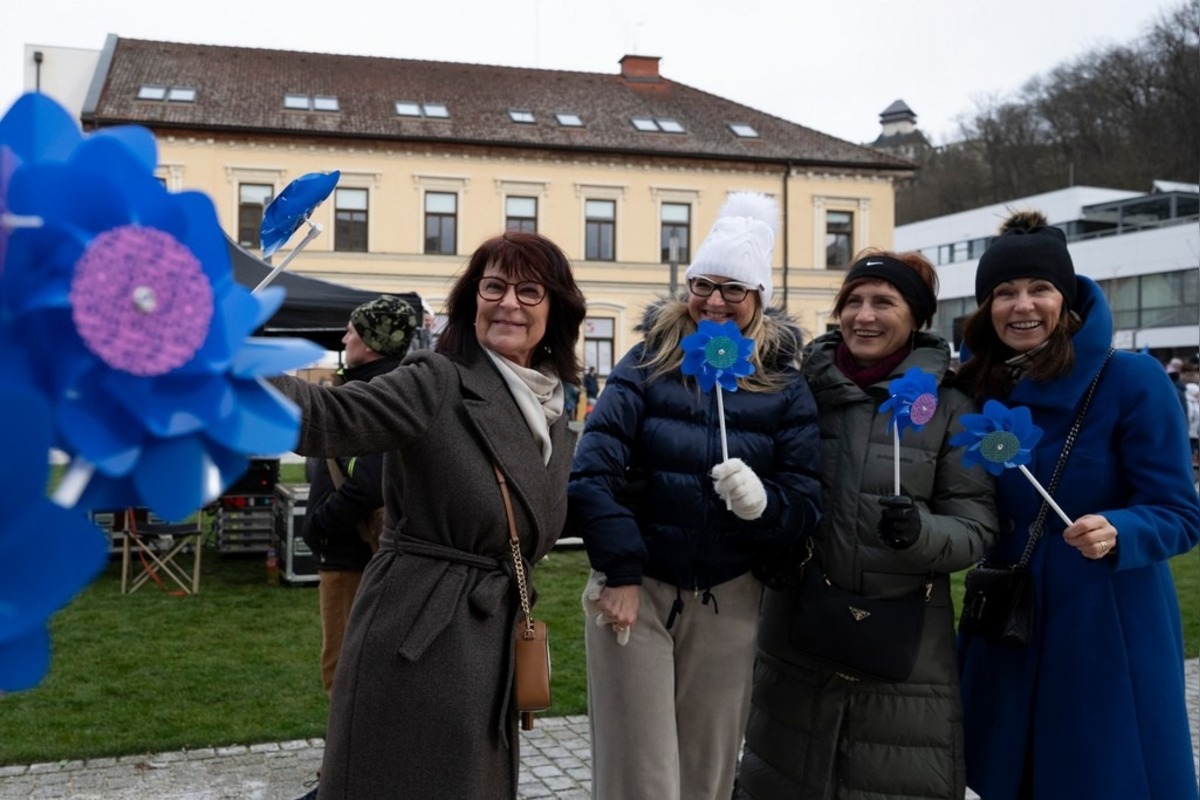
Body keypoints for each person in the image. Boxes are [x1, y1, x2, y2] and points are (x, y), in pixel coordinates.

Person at [271, 231, 587, 799]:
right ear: (472, 301)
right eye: (493, 286)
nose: (509, 302)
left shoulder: (557, 404)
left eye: (529, 290)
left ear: (556, 309)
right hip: (418, 636)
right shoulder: (438, 380)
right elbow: (325, 415)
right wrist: (221, 359)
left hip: (489, 638)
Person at [568, 192, 822, 800]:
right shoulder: (646, 363)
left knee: (706, 773)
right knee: (640, 777)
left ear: (758, 297)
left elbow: (805, 501)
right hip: (639, 589)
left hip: (728, 597)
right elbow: (591, 471)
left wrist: (765, 507)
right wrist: (620, 572)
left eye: (734, 289)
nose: (714, 301)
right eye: (703, 284)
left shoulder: (785, 386)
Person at [955, 210, 1200, 799]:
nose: (1023, 305)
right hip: (1008, 621)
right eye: (1004, 292)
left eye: (1040, 289)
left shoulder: (1132, 379)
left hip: (1104, 625)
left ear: (1067, 302)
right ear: (987, 307)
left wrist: (1120, 528)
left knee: (1099, 775)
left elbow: (1181, 513)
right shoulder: (974, 388)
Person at [737, 249, 998, 799]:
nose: (864, 315)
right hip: (797, 640)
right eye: (852, 301)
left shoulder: (950, 405)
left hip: (902, 649)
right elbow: (772, 492)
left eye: (884, 301)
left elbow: (975, 525)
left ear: (917, 318)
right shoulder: (798, 391)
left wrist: (922, 533)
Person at [304, 295, 417, 697]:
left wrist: (320, 525)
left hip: (351, 553)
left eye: (351, 331)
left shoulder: (371, 393)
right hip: (365, 551)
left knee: (344, 673)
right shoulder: (395, 388)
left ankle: (344, 761)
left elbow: (371, 479)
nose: (344, 338)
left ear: (370, 343)